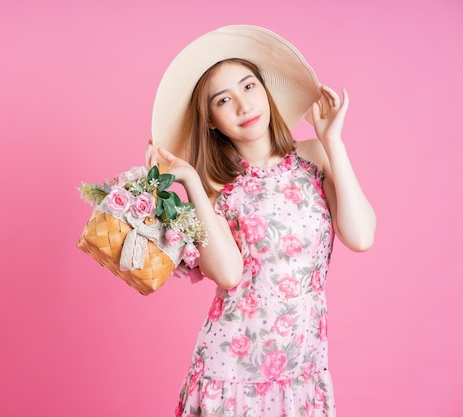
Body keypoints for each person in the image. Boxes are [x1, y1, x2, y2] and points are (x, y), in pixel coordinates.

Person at [145, 25, 376, 417]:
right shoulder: (216, 185)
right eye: (224, 99)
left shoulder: (315, 156)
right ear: (212, 120)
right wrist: (192, 185)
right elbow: (228, 275)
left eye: (249, 86)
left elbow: (360, 235)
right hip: (230, 373)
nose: (243, 105)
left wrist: (333, 142)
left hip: (303, 369)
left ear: (266, 92)